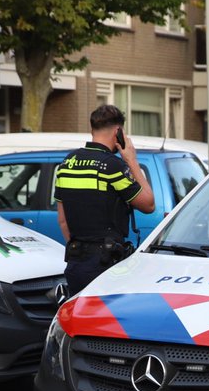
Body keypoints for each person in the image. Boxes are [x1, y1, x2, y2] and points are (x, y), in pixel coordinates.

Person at [55, 105, 155, 295]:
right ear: (118, 132)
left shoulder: (66, 163)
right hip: (106, 267)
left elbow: (62, 220)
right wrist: (132, 160)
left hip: (75, 263)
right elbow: (148, 204)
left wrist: (82, 250)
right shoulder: (112, 165)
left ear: (92, 129)